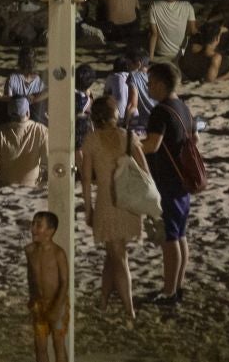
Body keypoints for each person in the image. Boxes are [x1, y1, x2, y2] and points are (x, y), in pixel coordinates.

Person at [79, 94, 147, 323]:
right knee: (113, 253)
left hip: (107, 202)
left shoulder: (92, 140)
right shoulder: (129, 136)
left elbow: (86, 179)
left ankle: (130, 310)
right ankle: (104, 302)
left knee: (118, 255)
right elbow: (145, 173)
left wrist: (88, 210)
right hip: (127, 201)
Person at [139, 61, 197, 306]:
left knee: (170, 238)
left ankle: (169, 292)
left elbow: (152, 145)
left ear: (161, 84)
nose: (149, 87)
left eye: (151, 83)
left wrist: (131, 145)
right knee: (180, 235)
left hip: (167, 181)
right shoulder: (182, 107)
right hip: (183, 179)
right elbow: (194, 137)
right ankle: (177, 287)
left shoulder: (161, 111)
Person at [25, 212, 69, 362]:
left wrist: (58, 306)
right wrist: (32, 297)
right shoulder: (30, 251)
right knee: (40, 345)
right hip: (39, 303)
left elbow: (64, 281)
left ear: (50, 231)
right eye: (33, 224)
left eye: (39, 225)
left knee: (58, 343)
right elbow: (31, 276)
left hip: (57, 301)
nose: (33, 229)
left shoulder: (58, 253)